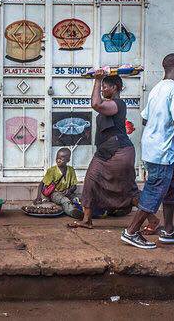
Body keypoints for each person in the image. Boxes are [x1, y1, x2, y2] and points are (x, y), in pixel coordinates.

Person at [68, 73, 159, 229]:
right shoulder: (110, 103)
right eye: (101, 86)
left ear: (114, 87)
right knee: (90, 182)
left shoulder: (118, 104)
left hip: (119, 153)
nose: (102, 89)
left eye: (105, 86)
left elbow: (96, 104)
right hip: (104, 154)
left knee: (127, 190)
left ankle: (153, 219)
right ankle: (87, 220)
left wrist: (96, 80)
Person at [121, 53, 174, 249]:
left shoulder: (156, 89)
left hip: (154, 149)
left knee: (171, 187)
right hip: (161, 152)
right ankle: (131, 232)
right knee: (154, 192)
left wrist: (172, 132)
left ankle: (169, 231)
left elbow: (146, 119)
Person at [34, 148, 82, 219]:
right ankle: (72, 212)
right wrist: (38, 196)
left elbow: (74, 185)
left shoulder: (71, 170)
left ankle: (84, 212)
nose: (58, 160)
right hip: (55, 194)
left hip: (68, 192)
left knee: (78, 199)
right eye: (57, 158)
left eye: (61, 159)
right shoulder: (52, 170)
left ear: (68, 160)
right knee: (64, 200)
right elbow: (42, 184)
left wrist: (69, 191)